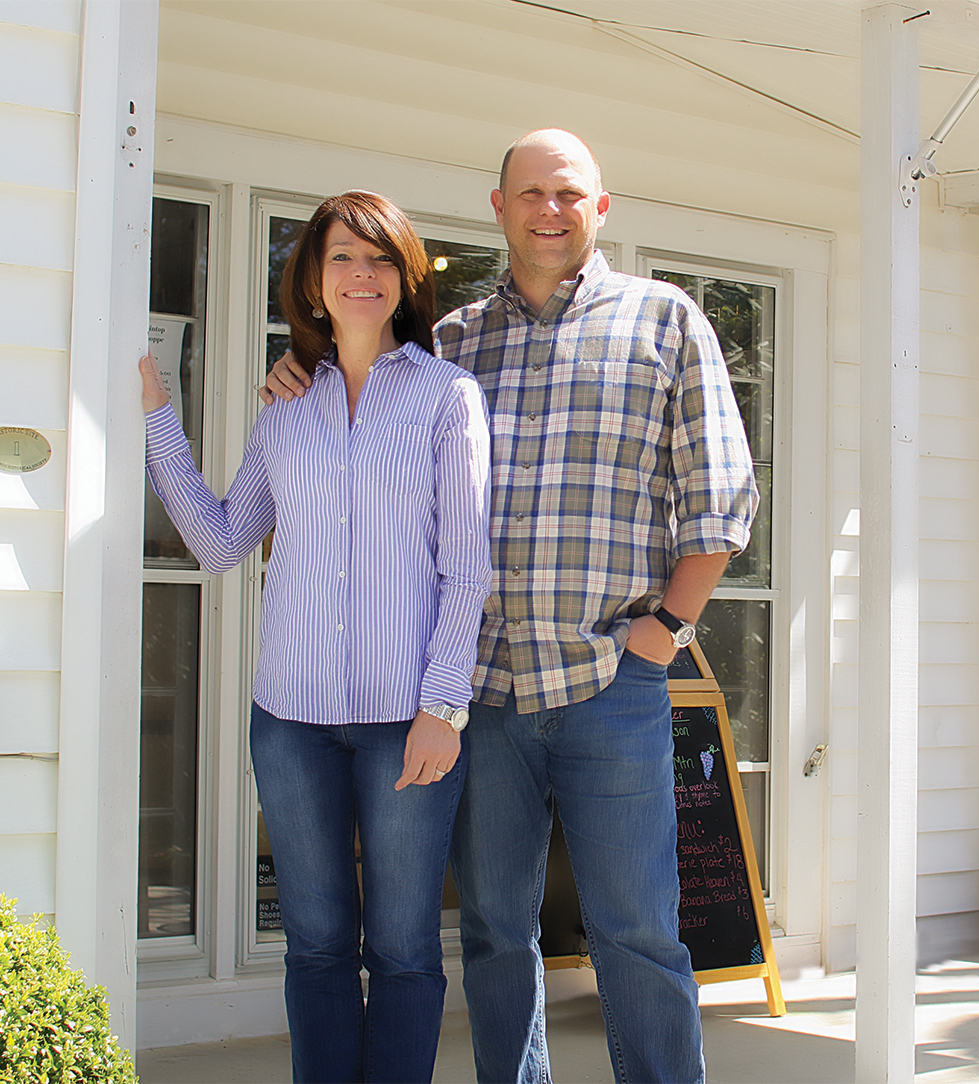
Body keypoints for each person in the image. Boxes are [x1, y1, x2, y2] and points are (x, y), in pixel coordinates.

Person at [262, 131, 759, 1084]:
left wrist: (665, 634)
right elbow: (354, 385)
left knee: (637, 931)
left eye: (568, 193)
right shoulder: (450, 343)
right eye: (529, 193)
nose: (549, 210)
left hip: (610, 679)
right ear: (498, 207)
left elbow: (721, 503)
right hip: (479, 692)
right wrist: (298, 372)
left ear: (600, 207)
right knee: (493, 930)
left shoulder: (665, 323)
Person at [146, 190, 492, 1083]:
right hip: (290, 717)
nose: (360, 274)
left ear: (405, 277)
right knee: (317, 946)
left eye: (378, 258)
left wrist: (443, 708)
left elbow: (467, 566)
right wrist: (156, 417)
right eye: (341, 256)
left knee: (407, 947)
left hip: (404, 719)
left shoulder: (449, 398)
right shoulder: (287, 405)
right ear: (313, 279)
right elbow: (224, 543)